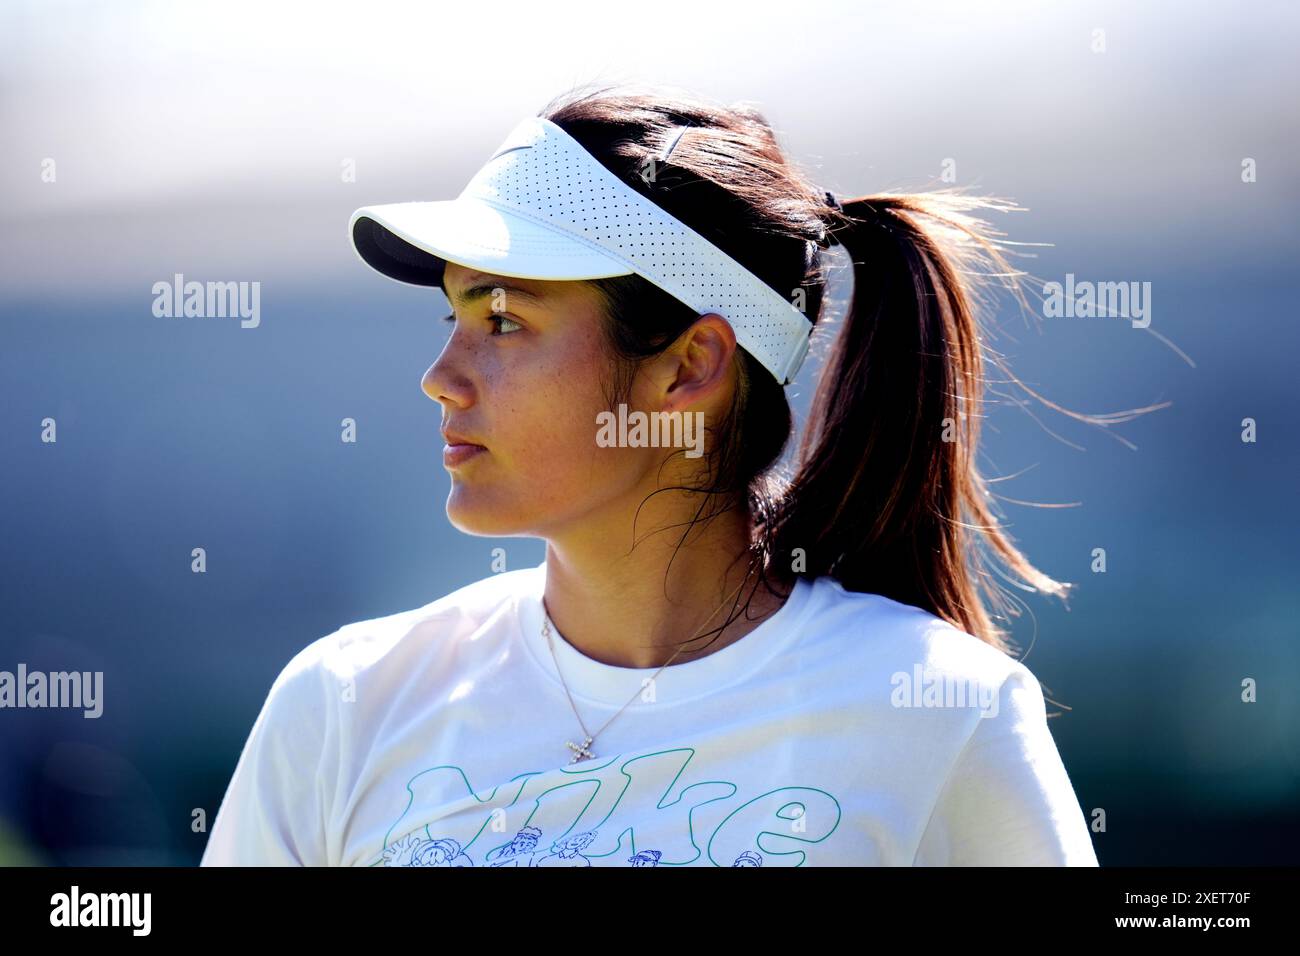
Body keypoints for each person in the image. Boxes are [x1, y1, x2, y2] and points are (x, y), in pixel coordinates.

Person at [200, 83, 1099, 867]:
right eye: (452, 316)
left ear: (688, 366)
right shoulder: (345, 702)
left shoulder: (946, 712)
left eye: (504, 321)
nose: (442, 375)